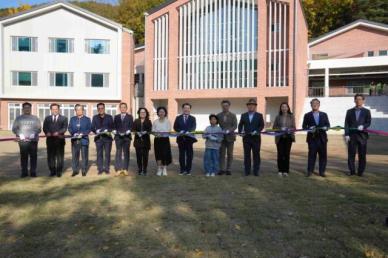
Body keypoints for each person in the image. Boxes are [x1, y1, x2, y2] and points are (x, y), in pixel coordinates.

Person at [344, 94, 372, 177]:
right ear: (354, 100)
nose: (358, 101)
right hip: (352, 136)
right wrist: (346, 134)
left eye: (360, 99)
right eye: (357, 99)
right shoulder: (349, 111)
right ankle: (352, 171)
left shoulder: (367, 111)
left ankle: (360, 172)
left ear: (363, 101)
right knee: (351, 154)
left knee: (362, 155)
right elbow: (346, 124)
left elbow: (368, 122)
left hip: (362, 136)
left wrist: (363, 126)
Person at [12, 102, 42, 178]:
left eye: (28, 108)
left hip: (33, 141)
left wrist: (34, 133)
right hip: (22, 142)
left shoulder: (35, 118)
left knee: (33, 156)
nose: (27, 109)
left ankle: (33, 172)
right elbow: (14, 129)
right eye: (25, 108)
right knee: (23, 157)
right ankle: (24, 172)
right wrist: (20, 134)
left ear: (30, 109)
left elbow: (39, 129)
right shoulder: (18, 118)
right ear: (23, 109)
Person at [302, 98, 330, 177]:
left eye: (316, 103)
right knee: (311, 155)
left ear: (319, 105)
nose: (315, 105)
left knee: (323, 156)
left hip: (322, 139)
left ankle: (322, 172)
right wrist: (309, 129)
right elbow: (304, 127)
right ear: (311, 105)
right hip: (312, 139)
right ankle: (310, 171)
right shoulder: (307, 115)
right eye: (313, 103)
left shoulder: (324, 114)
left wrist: (326, 128)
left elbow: (328, 125)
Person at [238, 99, 265, 176]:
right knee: (247, 155)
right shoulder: (244, 115)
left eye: (253, 105)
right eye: (249, 105)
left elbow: (262, 125)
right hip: (246, 138)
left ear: (255, 106)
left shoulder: (259, 115)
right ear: (247, 106)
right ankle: (247, 171)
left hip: (256, 138)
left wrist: (257, 131)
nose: (251, 106)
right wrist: (240, 132)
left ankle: (256, 171)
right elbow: (240, 125)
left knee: (256, 155)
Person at [43, 103, 68, 177]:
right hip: (50, 140)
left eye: (56, 109)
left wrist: (58, 132)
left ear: (58, 109)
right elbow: (45, 127)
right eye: (53, 109)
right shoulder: (47, 118)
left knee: (60, 157)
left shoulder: (64, 118)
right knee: (51, 157)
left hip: (60, 141)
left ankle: (59, 171)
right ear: (51, 110)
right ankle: (52, 171)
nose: (55, 110)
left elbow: (64, 128)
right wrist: (47, 132)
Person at [173, 103, 197, 175]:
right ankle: (182, 170)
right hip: (181, 139)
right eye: (185, 108)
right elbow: (175, 127)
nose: (186, 109)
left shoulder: (193, 118)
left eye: (188, 108)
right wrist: (180, 131)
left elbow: (193, 127)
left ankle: (188, 170)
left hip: (189, 139)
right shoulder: (178, 118)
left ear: (190, 109)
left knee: (189, 155)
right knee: (181, 155)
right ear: (183, 109)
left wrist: (188, 132)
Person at [273, 102, 296, 177]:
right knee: (280, 154)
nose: (284, 108)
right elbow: (274, 127)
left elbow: (294, 127)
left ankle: (286, 171)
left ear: (288, 108)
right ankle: (280, 170)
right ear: (280, 108)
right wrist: (280, 129)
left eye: (285, 107)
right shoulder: (278, 117)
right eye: (282, 107)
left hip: (288, 138)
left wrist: (289, 129)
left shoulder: (291, 116)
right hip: (279, 138)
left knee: (286, 154)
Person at [68, 104, 91, 177]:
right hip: (75, 140)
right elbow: (69, 128)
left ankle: (84, 170)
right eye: (77, 110)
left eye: (80, 109)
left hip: (84, 140)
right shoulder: (72, 119)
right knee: (75, 156)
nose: (78, 111)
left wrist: (83, 134)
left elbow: (89, 129)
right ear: (75, 111)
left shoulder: (87, 119)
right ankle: (75, 170)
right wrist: (73, 133)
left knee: (84, 156)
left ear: (83, 110)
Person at [91, 103, 114, 175]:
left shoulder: (109, 117)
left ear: (104, 108)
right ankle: (100, 169)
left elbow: (112, 127)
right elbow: (92, 127)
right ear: (97, 109)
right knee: (99, 154)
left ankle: (107, 169)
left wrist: (107, 130)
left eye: (102, 108)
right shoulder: (95, 117)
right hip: (99, 139)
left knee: (107, 154)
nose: (101, 109)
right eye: (99, 108)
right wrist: (96, 131)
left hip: (107, 139)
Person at [217, 100, 237, 175]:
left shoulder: (233, 115)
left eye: (226, 106)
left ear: (229, 106)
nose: (225, 107)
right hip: (221, 137)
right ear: (221, 106)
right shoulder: (218, 115)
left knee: (230, 154)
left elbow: (235, 126)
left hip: (230, 137)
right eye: (223, 106)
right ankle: (221, 169)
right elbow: (215, 124)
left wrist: (229, 130)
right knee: (221, 154)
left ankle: (228, 169)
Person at [113, 103, 134, 176]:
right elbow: (114, 126)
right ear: (119, 108)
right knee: (118, 153)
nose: (123, 108)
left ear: (126, 108)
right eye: (121, 107)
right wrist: (115, 130)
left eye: (124, 107)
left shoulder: (130, 117)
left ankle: (125, 169)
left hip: (126, 138)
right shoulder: (116, 117)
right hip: (118, 137)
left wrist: (129, 130)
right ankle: (118, 169)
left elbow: (132, 126)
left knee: (126, 153)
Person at [152, 107, 172, 176]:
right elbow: (153, 131)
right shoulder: (155, 122)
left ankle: (164, 169)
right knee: (158, 154)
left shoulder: (168, 121)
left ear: (165, 113)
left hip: (165, 140)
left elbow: (169, 130)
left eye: (163, 112)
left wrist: (165, 133)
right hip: (157, 140)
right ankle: (159, 169)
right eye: (160, 112)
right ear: (158, 113)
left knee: (165, 154)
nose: (161, 113)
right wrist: (156, 134)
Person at [132, 108, 152, 176]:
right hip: (138, 141)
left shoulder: (148, 121)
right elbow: (133, 129)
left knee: (145, 157)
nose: (142, 113)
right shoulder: (136, 121)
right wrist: (137, 132)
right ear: (139, 113)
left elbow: (150, 130)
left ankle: (145, 170)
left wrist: (145, 132)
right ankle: (140, 169)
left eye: (144, 112)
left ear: (146, 113)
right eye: (141, 112)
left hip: (146, 141)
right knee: (139, 156)